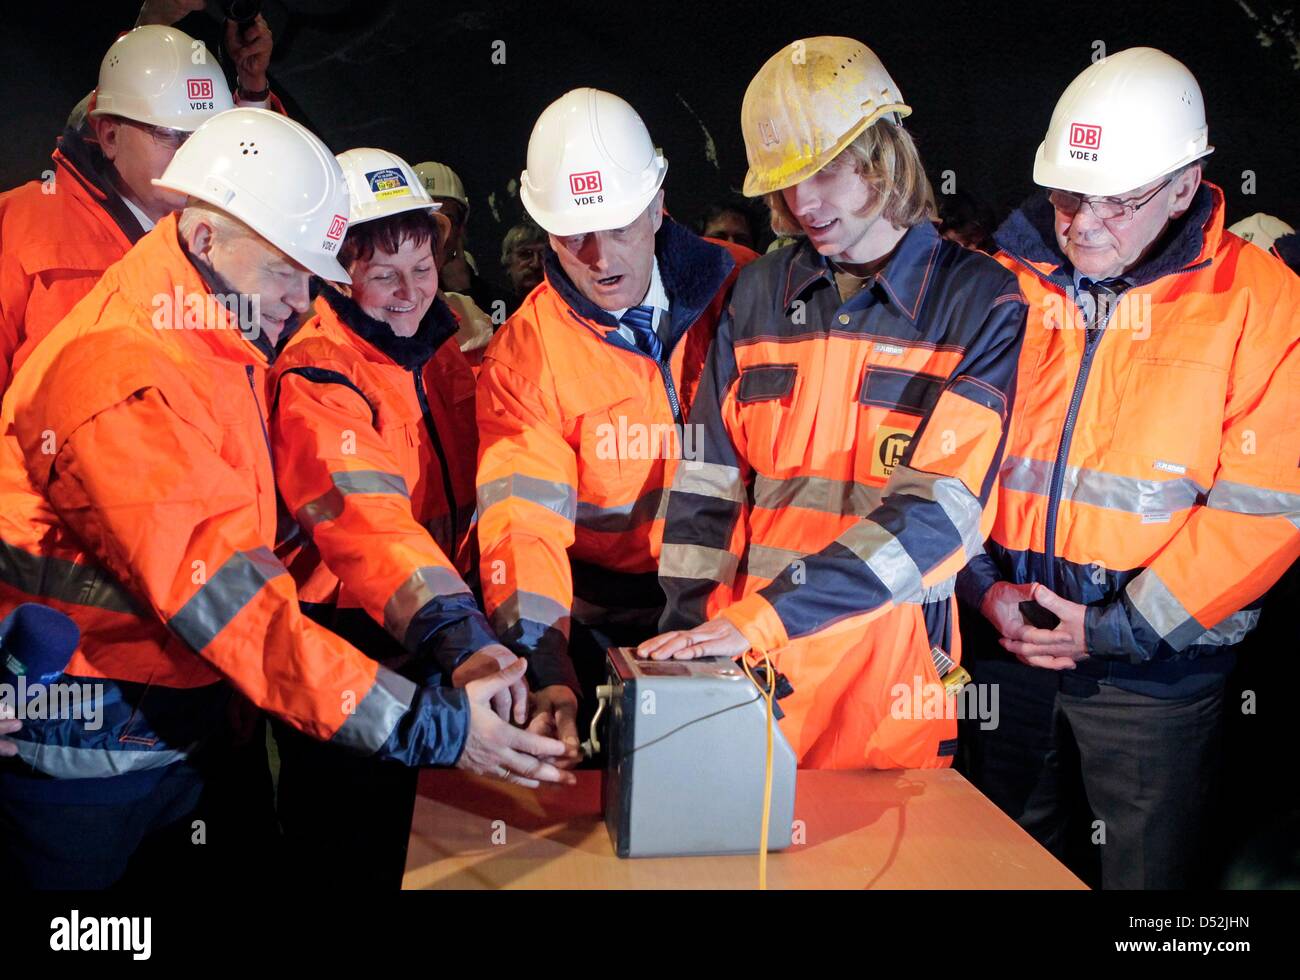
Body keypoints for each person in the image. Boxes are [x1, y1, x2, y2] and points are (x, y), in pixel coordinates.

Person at [0, 109, 572, 889]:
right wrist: (431, 726)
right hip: (87, 762)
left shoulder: (218, 338)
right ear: (204, 240)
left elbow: (333, 533)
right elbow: (232, 603)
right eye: (283, 270)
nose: (301, 299)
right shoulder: (123, 377)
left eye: (311, 274)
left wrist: (458, 640)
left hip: (184, 729)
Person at [955, 47, 1300, 888]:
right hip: (1006, 646)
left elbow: (1266, 508)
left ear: (1188, 185)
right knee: (1000, 865)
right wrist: (980, 585)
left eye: (1118, 200)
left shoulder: (1260, 301)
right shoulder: (1005, 281)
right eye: (1068, 195)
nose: (1082, 224)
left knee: (1147, 886)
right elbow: (945, 456)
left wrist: (1116, 628)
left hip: (1157, 679)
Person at [638, 36, 1026, 772]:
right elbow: (707, 486)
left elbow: (940, 510)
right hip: (749, 678)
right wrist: (688, 639)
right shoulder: (757, 292)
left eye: (824, 171)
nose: (801, 204)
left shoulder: (978, 298)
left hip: (885, 683)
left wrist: (762, 619)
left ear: (884, 154)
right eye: (786, 182)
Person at [476, 88, 756, 755]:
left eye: (621, 227)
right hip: (604, 617)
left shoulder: (747, 289)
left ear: (659, 203)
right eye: (575, 235)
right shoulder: (523, 354)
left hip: (742, 605)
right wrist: (546, 667)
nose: (600, 258)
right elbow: (522, 526)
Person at [269, 146, 517, 886]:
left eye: (422, 266)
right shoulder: (319, 371)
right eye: (383, 274)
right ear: (338, 270)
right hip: (353, 641)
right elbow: (370, 524)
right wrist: (461, 636)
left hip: (438, 630)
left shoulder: (444, 352)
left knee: (430, 843)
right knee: (349, 843)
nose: (409, 292)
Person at [0, 25, 246, 392]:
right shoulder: (19, 222)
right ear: (109, 135)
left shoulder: (219, 242)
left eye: (204, 138)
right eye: (172, 135)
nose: (193, 156)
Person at [414, 159, 508, 318]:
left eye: (446, 220)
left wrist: (464, 294)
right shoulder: (385, 297)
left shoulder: (499, 302)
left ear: (460, 228)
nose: (436, 233)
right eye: (426, 221)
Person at [500, 218, 547, 312]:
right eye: (525, 254)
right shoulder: (498, 307)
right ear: (508, 260)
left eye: (544, 254)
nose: (536, 264)